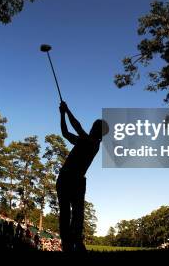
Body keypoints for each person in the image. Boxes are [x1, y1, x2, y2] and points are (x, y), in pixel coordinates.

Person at [57, 101, 108, 252]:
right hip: (66, 178)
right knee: (67, 212)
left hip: (75, 180)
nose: (93, 129)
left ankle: (76, 242)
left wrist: (66, 111)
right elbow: (65, 133)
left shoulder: (93, 143)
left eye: (96, 128)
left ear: (99, 134)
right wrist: (62, 115)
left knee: (77, 214)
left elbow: (77, 127)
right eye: (94, 127)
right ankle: (68, 244)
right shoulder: (83, 140)